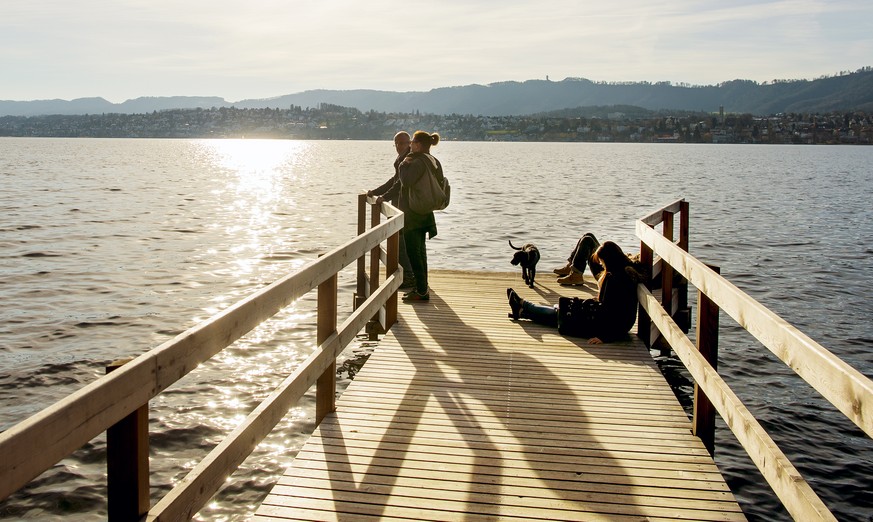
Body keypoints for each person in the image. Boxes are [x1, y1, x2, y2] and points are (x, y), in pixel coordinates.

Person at [507, 241, 643, 344]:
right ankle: (521, 310)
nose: (601, 265)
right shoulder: (625, 272)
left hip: (604, 326)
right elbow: (616, 310)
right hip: (604, 320)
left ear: (609, 261)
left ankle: (523, 304)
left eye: (602, 262)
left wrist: (605, 338)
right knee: (560, 310)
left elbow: (617, 315)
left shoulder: (614, 279)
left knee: (560, 314)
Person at [378, 130, 444, 302]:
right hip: (425, 212)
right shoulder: (433, 161)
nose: (409, 145)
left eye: (412, 142)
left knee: (414, 253)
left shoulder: (415, 162)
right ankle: (422, 287)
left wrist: (403, 164)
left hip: (413, 214)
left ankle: (421, 291)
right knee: (421, 252)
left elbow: (404, 182)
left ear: (418, 145)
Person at [368, 131, 414, 289]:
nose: (399, 146)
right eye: (397, 143)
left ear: (410, 143)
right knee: (404, 241)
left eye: (403, 143)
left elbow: (399, 184)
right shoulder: (402, 159)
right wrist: (376, 192)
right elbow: (394, 180)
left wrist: (384, 197)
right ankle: (410, 275)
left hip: (407, 206)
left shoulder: (409, 160)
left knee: (401, 241)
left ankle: (408, 277)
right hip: (404, 205)